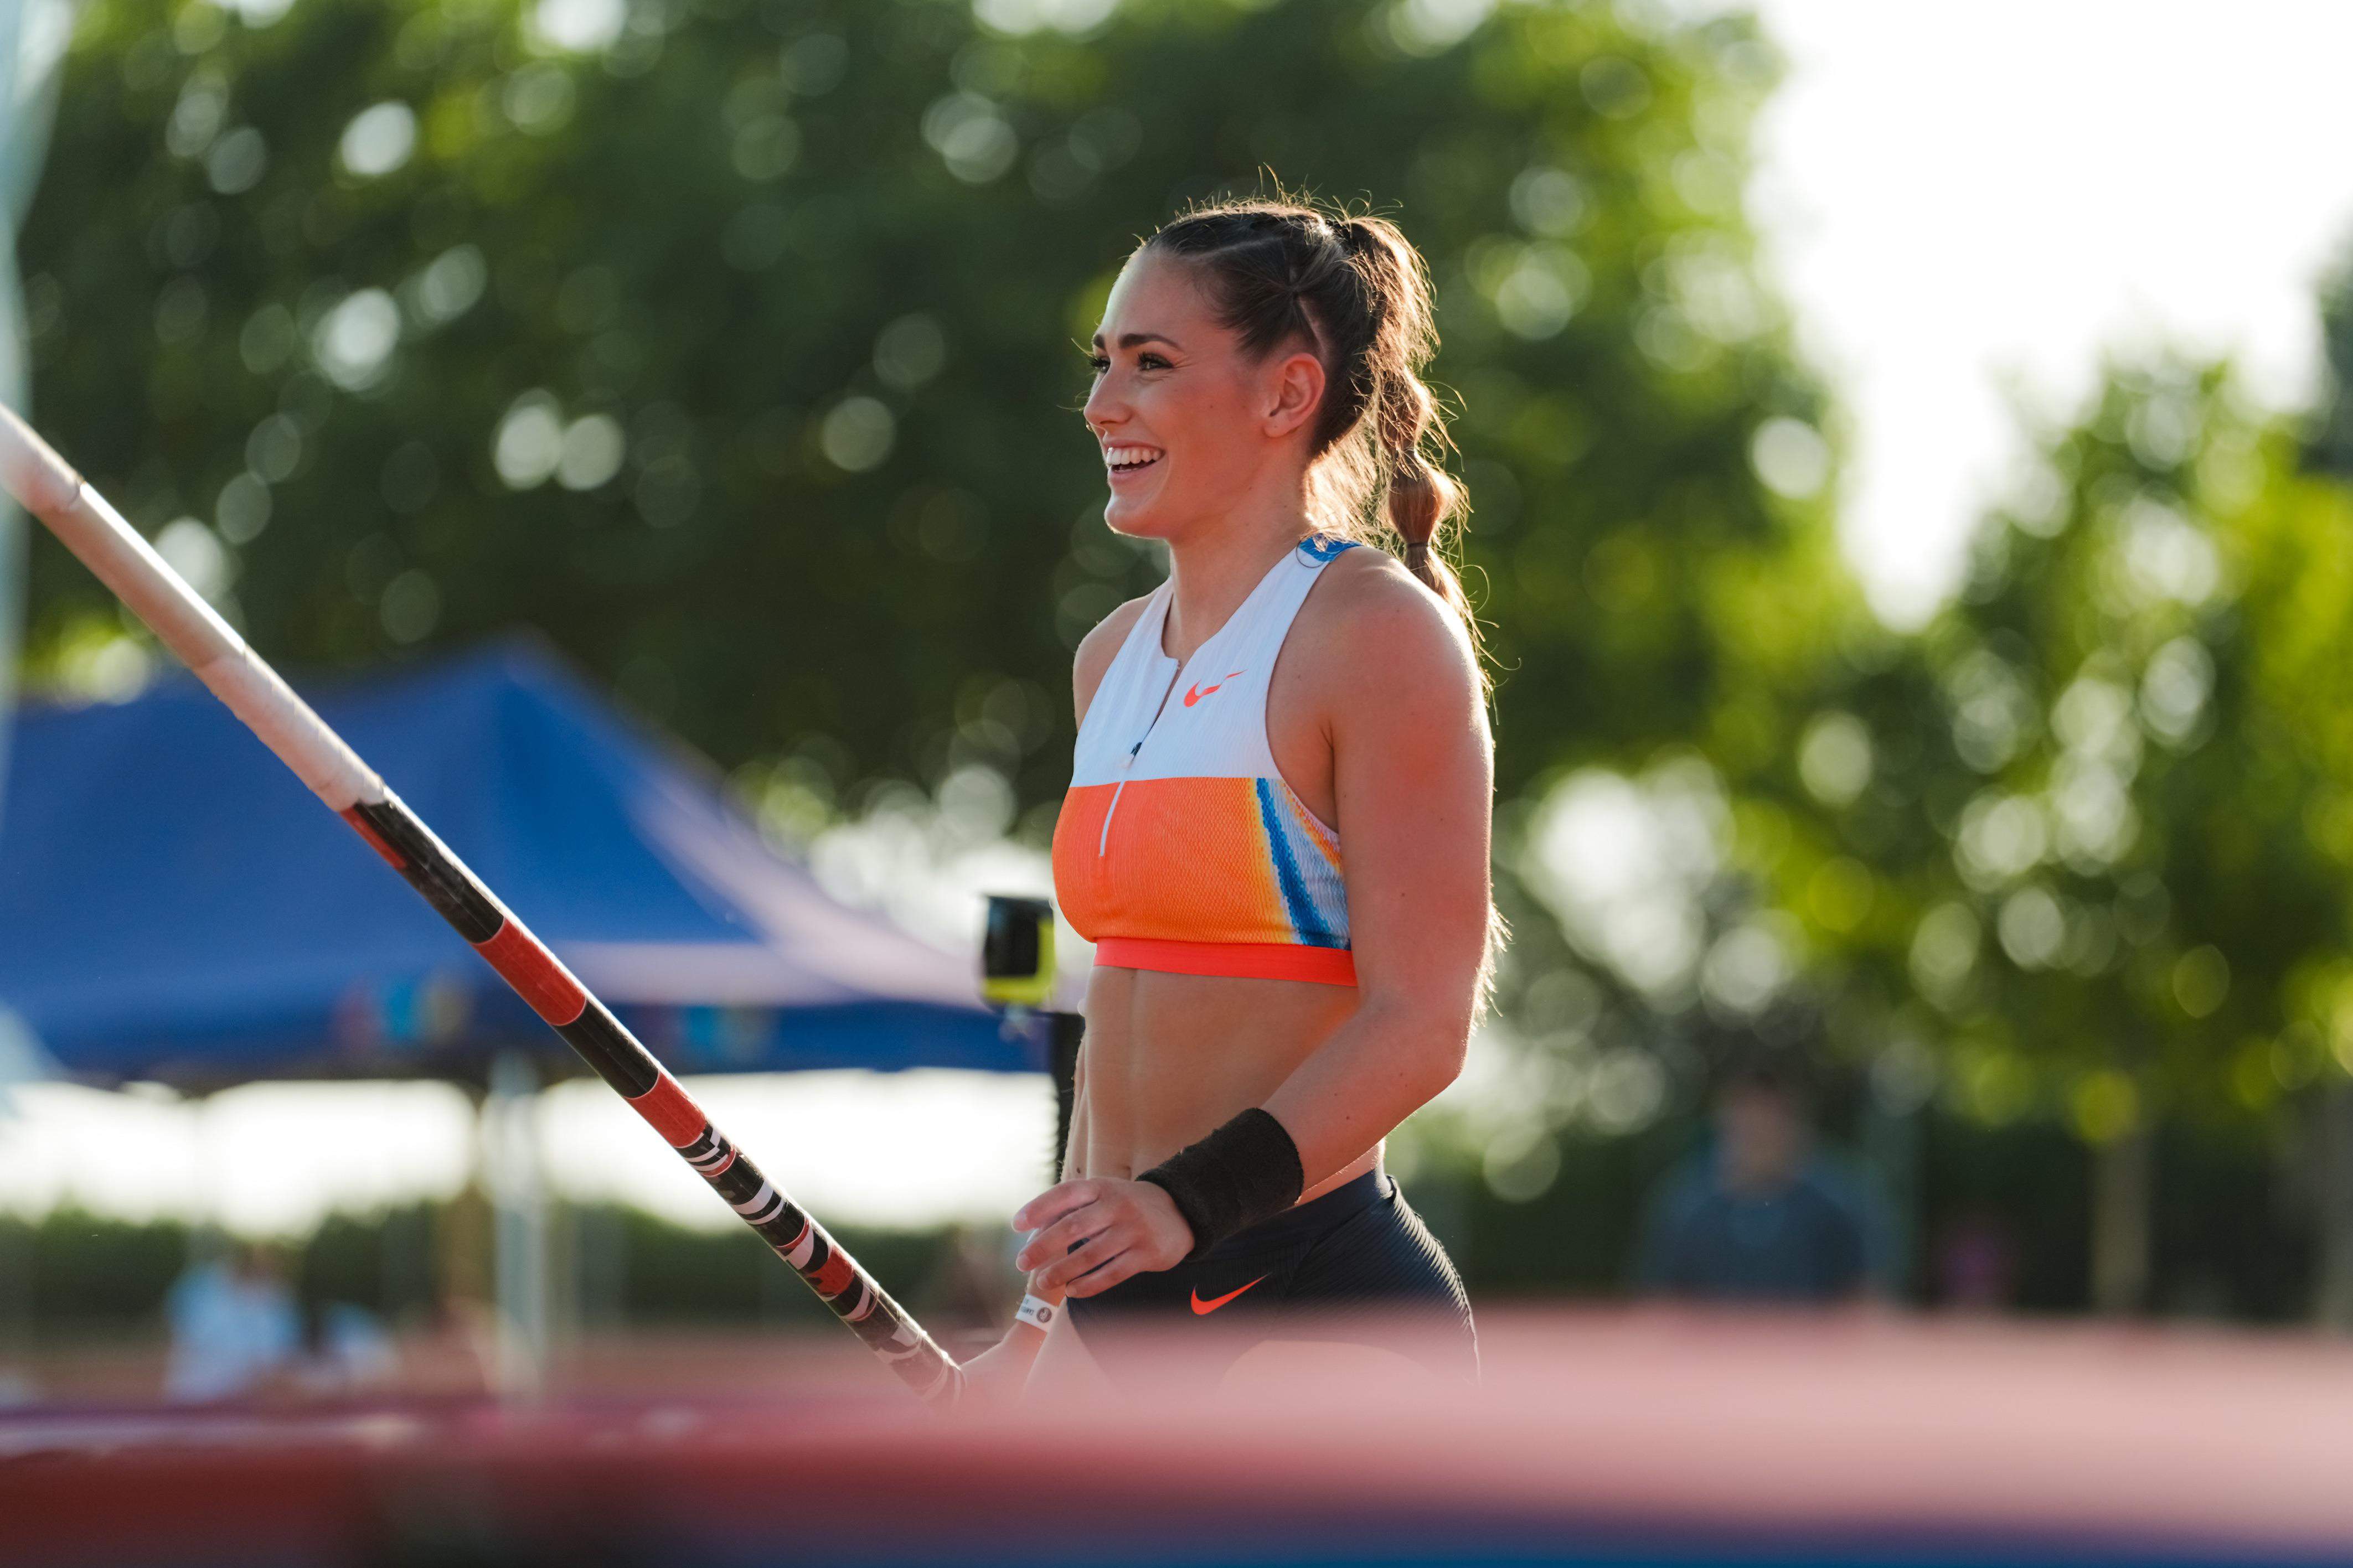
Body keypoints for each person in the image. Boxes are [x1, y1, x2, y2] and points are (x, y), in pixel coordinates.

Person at [961, 196, 1499, 1401]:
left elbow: (1423, 1022)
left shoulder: (1375, 634)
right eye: (1102, 363)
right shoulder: (1110, 656)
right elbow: (1121, 1012)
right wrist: (1039, 1329)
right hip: (1123, 1311)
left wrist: (1182, 1205)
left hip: (1309, 1304)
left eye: (1151, 364)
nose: (1103, 404)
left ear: (1285, 393)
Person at [1635, 1061, 1888, 1303]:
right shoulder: (1685, 1208)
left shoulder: (1838, 1205)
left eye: (1770, 1119)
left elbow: (1864, 1297)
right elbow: (1660, 1301)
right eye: (1748, 1119)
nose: (1759, 1131)